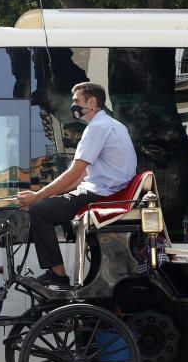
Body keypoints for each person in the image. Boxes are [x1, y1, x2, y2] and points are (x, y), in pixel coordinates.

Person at [17, 82, 137, 288]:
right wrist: (44, 196)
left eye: (76, 101)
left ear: (91, 102)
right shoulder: (115, 126)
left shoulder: (97, 128)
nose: (73, 106)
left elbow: (74, 172)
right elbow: (79, 179)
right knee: (49, 207)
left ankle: (58, 275)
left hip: (101, 195)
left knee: (40, 213)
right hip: (109, 193)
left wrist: (36, 198)